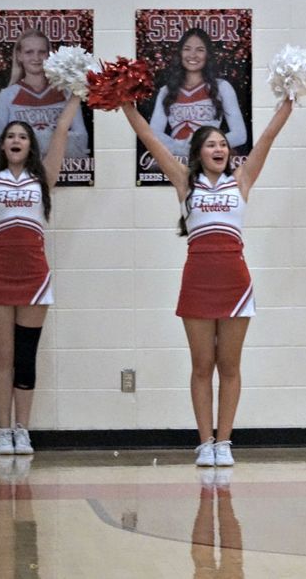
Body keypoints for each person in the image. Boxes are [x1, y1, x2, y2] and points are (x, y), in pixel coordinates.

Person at [122, 98, 293, 467]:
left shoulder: (241, 180)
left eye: (223, 143)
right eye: (211, 144)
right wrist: (126, 106)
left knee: (229, 366)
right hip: (198, 279)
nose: (219, 148)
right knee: (202, 365)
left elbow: (265, 139)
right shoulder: (185, 182)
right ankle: (204, 441)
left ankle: (225, 441)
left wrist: (287, 104)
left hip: (235, 281)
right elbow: (150, 138)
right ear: (199, 151)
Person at [0, 92, 82, 455]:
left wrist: (76, 94)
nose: (15, 141)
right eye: (10, 136)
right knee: (2, 357)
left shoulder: (43, 181)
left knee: (26, 356)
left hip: (34, 277)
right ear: (2, 145)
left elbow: (60, 132)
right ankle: (3, 430)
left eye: (22, 136)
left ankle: (23, 429)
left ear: (30, 146)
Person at [0, 29, 89, 160]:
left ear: (49, 54)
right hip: (21, 173)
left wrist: (24, 141)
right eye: (29, 52)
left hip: (62, 173)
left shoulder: (67, 92)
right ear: (19, 56)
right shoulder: (7, 96)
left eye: (42, 52)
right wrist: (57, 138)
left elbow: (82, 142)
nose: (36, 58)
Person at [148, 27, 247, 159]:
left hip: (209, 160)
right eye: (187, 49)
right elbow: (152, 134)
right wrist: (178, 147)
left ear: (208, 55)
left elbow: (240, 135)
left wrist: (203, 146)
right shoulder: (166, 90)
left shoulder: (222, 87)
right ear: (180, 53)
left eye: (200, 50)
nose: (193, 55)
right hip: (175, 161)